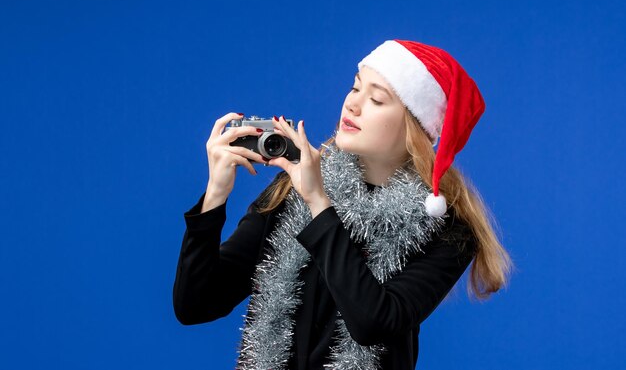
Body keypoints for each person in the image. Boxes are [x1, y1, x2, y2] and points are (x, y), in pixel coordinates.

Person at [173, 39, 513, 370]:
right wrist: (215, 196)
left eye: (377, 100)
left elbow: (372, 322)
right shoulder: (293, 189)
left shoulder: (446, 226)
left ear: (415, 127)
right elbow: (196, 305)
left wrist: (319, 202)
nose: (352, 105)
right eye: (355, 88)